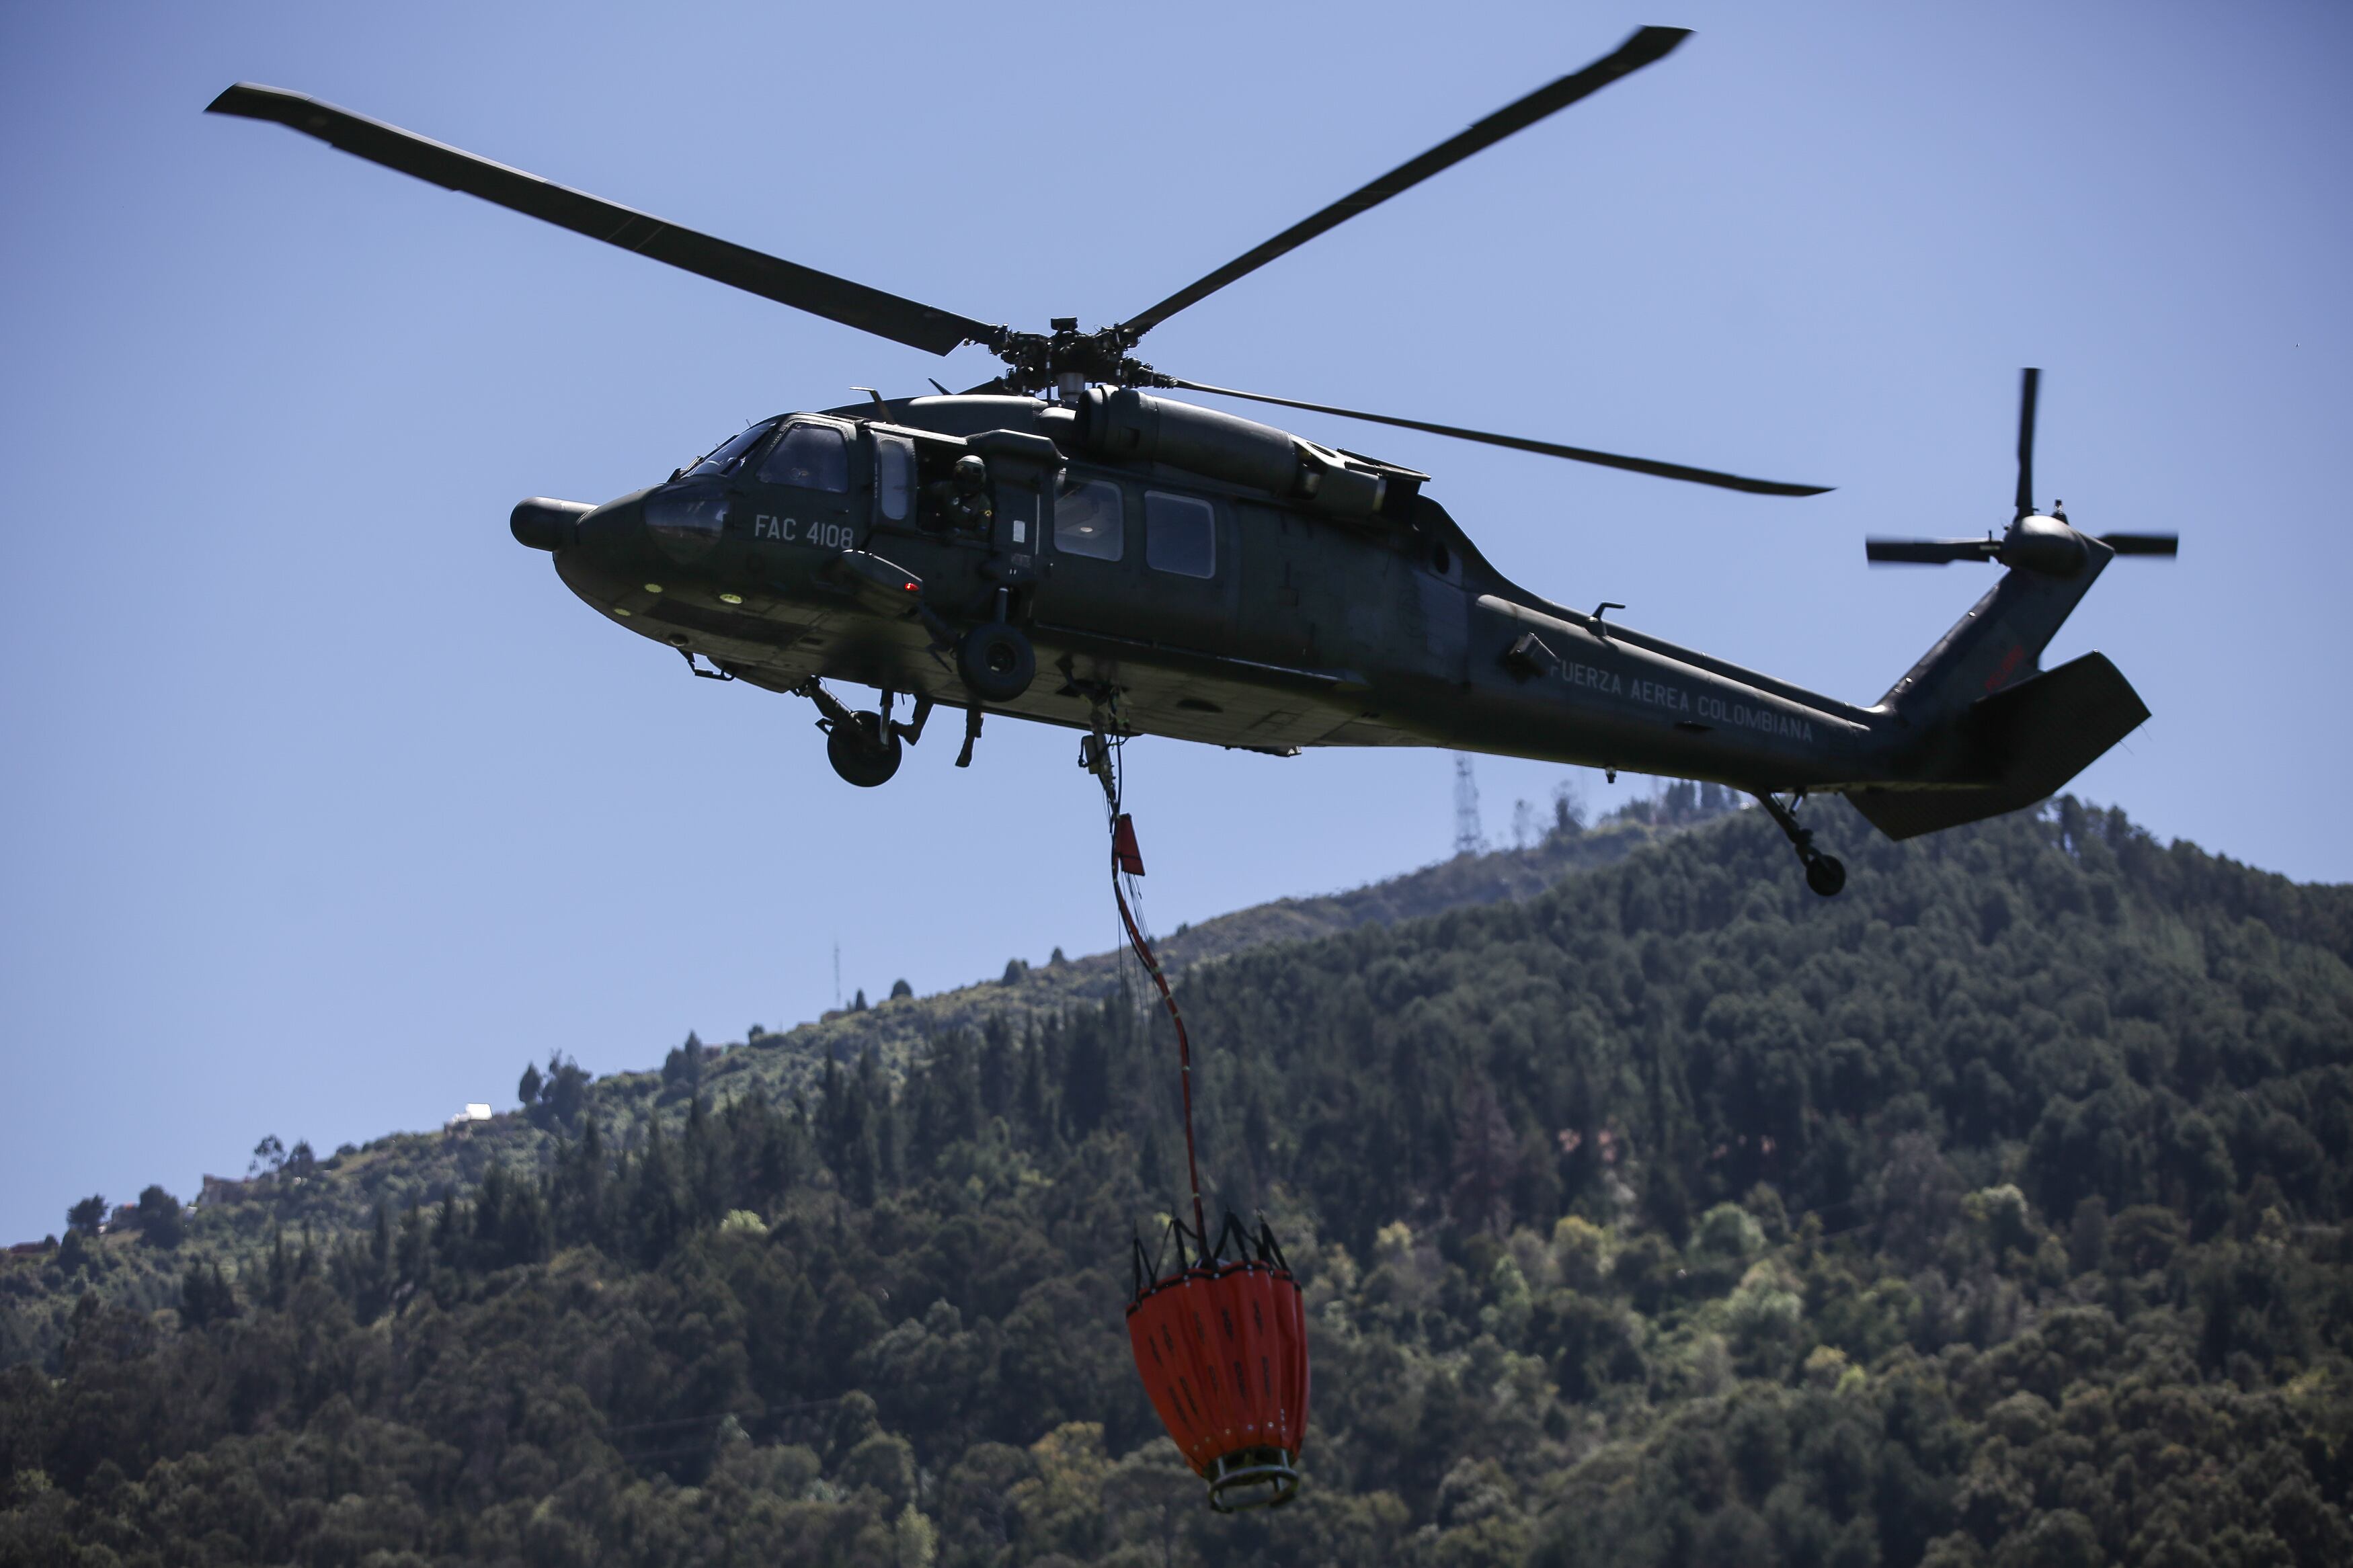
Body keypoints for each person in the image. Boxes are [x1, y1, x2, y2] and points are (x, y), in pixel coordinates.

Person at [925, 454, 994, 532]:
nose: (967, 483)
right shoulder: (944, 488)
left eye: (973, 480)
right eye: (965, 477)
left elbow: (982, 533)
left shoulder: (984, 503)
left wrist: (959, 533)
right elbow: (922, 497)